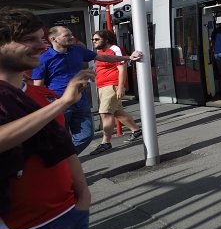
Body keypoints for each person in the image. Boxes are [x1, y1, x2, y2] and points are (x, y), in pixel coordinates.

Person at [0, 8, 92, 229]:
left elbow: (64, 147)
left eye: (41, 39)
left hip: (71, 212)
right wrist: (63, 103)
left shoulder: (43, 94)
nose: (42, 47)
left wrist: (83, 197)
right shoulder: (53, 100)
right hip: (22, 227)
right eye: (29, 40)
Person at [32, 26, 142, 155]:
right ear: (54, 39)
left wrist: (129, 57)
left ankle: (63, 158)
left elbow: (104, 58)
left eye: (71, 34)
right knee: (60, 138)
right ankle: (63, 162)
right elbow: (38, 87)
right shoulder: (43, 59)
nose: (72, 37)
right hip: (59, 104)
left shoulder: (78, 50)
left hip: (80, 102)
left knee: (86, 135)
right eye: (67, 35)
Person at [88, 29, 142, 155]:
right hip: (102, 86)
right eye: (93, 39)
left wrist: (121, 87)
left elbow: (122, 69)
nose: (94, 41)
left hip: (111, 85)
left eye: (96, 39)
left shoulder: (115, 49)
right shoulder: (99, 52)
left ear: (106, 39)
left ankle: (105, 142)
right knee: (117, 112)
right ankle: (136, 130)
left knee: (105, 112)